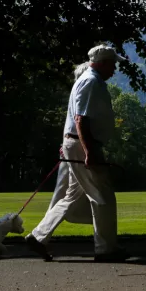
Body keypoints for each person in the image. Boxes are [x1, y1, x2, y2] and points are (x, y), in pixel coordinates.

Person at [25, 44, 129, 262]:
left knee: (72, 195)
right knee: (103, 197)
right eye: (112, 63)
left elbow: (75, 117)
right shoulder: (91, 82)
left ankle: (38, 236)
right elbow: (81, 119)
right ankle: (106, 249)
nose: (115, 69)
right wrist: (89, 151)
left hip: (77, 143)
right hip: (85, 145)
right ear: (101, 63)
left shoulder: (89, 80)